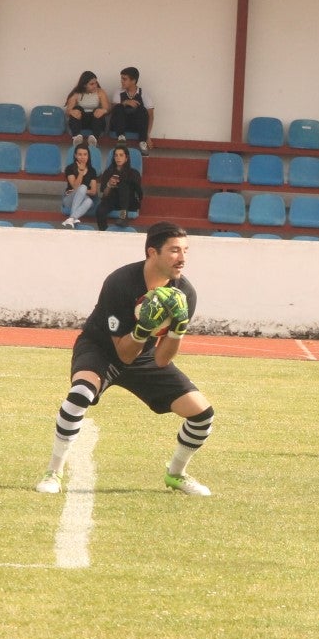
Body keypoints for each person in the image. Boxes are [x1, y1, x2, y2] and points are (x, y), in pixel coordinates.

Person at [34, 221, 215, 497]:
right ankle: (53, 471)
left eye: (186, 251)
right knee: (80, 393)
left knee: (202, 415)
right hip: (101, 348)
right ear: (152, 252)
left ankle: (176, 473)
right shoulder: (120, 282)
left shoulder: (184, 293)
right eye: (174, 250)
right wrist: (144, 327)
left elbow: (163, 359)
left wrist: (178, 328)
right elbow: (123, 353)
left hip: (145, 356)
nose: (182, 258)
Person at [95, 144, 143, 231]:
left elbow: (139, 193)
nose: (118, 158)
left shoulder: (134, 173)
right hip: (112, 200)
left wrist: (126, 181)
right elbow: (104, 194)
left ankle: (123, 216)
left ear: (126, 158)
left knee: (123, 184)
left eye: (121, 155)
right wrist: (109, 185)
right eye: (116, 155)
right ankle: (104, 232)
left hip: (129, 202)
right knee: (100, 210)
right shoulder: (108, 172)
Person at [109, 66, 155, 156]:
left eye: (124, 79)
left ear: (133, 81)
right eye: (121, 78)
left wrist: (147, 135)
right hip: (120, 125)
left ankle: (142, 142)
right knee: (118, 107)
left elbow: (150, 115)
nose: (121, 81)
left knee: (142, 109)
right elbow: (113, 111)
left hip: (136, 126)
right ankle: (121, 138)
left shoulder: (143, 93)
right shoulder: (118, 92)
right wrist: (125, 102)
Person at [65, 70, 110, 146]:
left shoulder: (100, 92)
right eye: (91, 84)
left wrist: (103, 111)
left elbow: (107, 109)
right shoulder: (76, 93)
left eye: (96, 83)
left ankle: (94, 138)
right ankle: (76, 137)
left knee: (98, 110)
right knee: (77, 108)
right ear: (84, 85)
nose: (95, 85)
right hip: (82, 121)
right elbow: (68, 111)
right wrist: (72, 112)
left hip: (95, 121)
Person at [61, 144, 98, 228]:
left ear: (88, 156)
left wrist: (81, 191)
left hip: (85, 199)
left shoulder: (92, 170)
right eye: (80, 154)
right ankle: (73, 218)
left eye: (85, 154)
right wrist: (81, 172)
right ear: (75, 155)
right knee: (83, 187)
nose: (83, 157)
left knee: (89, 201)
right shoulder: (70, 168)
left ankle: (71, 219)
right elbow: (75, 187)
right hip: (70, 198)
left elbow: (93, 191)